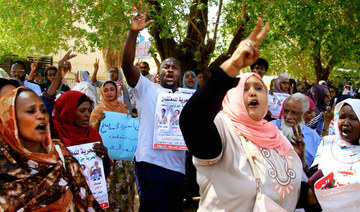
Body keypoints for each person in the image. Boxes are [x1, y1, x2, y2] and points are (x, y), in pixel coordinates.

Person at [180, 18, 302, 211]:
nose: (252, 92)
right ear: (231, 96)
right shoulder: (223, 130)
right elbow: (193, 121)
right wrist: (233, 65)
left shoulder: (277, 137)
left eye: (258, 88)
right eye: (244, 89)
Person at [121, 2, 192, 210]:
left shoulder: (188, 97)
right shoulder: (146, 89)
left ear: (181, 73)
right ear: (158, 73)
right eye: (165, 67)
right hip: (150, 166)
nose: (170, 70)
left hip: (178, 169)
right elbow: (126, 66)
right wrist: (133, 34)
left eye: (175, 67)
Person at [0, 87, 103, 211]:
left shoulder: (60, 154)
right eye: (31, 111)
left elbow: (87, 201)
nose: (41, 116)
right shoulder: (4, 164)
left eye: (43, 110)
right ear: (11, 120)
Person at [90, 80, 136, 211]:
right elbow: (91, 133)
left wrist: (133, 119)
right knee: (109, 189)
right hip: (107, 159)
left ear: (117, 92)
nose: (109, 93)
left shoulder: (124, 108)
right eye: (106, 90)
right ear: (102, 93)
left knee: (125, 188)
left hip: (124, 158)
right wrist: (98, 121)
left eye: (112, 89)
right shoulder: (98, 110)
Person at [309, 99, 360, 210]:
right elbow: (313, 181)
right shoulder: (328, 144)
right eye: (342, 117)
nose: (346, 122)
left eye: (352, 118)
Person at [52, 90, 110, 177]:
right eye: (82, 111)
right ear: (68, 111)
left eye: (89, 110)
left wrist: (105, 157)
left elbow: (103, 173)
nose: (87, 115)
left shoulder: (92, 134)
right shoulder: (53, 131)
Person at [271, 93, 321, 167]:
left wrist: (301, 156)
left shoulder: (313, 137)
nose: (288, 117)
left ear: (304, 114)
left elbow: (313, 172)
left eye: (294, 113)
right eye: (286, 111)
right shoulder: (270, 128)